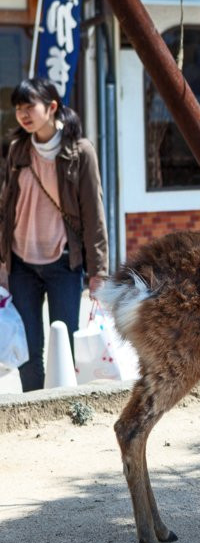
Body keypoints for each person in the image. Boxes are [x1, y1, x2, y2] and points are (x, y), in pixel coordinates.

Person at [0, 78, 108, 391]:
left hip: (63, 263)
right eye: (18, 108)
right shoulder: (18, 150)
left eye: (29, 106)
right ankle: (35, 406)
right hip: (21, 265)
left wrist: (98, 271)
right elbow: (6, 209)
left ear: (51, 107)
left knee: (66, 344)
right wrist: (3, 263)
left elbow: (94, 214)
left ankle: (65, 406)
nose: (23, 114)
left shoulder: (80, 152)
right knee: (28, 349)